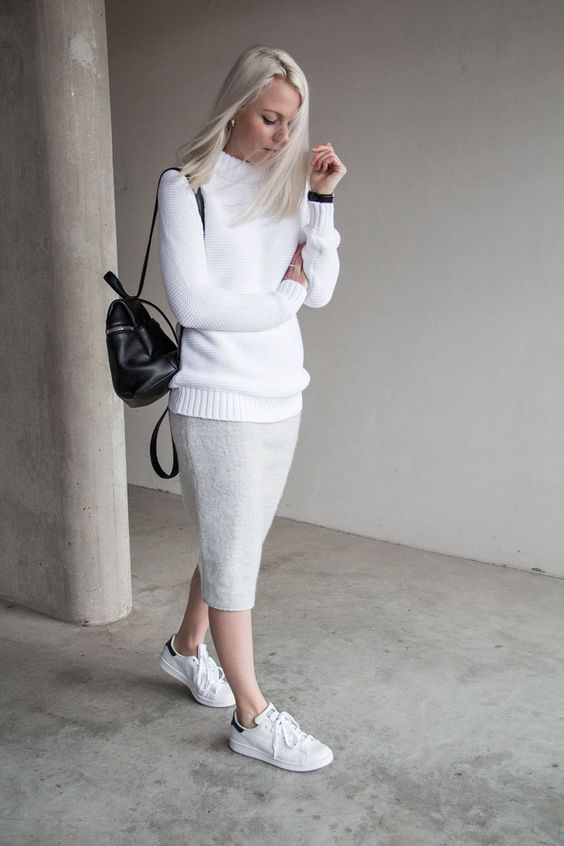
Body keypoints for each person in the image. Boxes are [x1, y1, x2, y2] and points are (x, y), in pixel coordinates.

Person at [156, 45, 346, 772]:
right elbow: (196, 304)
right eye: (271, 117)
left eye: (291, 121)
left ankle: (184, 649)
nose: (281, 134)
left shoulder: (292, 184)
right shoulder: (188, 185)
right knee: (234, 556)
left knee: (235, 544)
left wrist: (322, 202)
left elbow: (322, 289)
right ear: (237, 104)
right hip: (217, 399)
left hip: (280, 396)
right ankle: (252, 714)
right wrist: (281, 298)